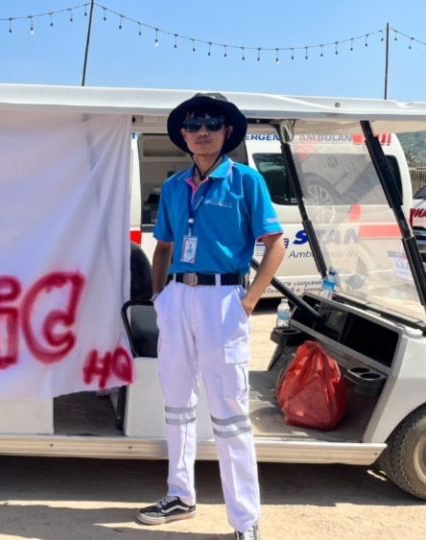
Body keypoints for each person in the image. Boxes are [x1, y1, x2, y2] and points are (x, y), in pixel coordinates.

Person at [136, 93, 286, 540]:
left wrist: (249, 300)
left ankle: (245, 521)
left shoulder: (246, 182)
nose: (202, 131)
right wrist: (160, 295)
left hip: (224, 301)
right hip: (179, 299)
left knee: (230, 413)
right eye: (194, 124)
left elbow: (275, 244)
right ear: (183, 134)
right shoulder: (175, 187)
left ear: (226, 133)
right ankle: (180, 494)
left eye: (212, 124)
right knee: (177, 404)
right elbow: (163, 246)